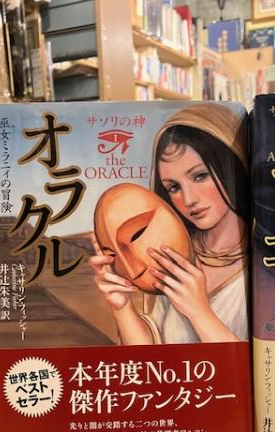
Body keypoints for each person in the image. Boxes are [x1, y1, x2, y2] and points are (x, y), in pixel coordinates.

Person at [90, 103, 250, 345]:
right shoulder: (172, 253)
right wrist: (122, 307)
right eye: (173, 187)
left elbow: (262, 365)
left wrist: (199, 312)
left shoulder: (268, 260)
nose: (189, 199)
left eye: (200, 176)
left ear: (232, 166)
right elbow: (151, 360)